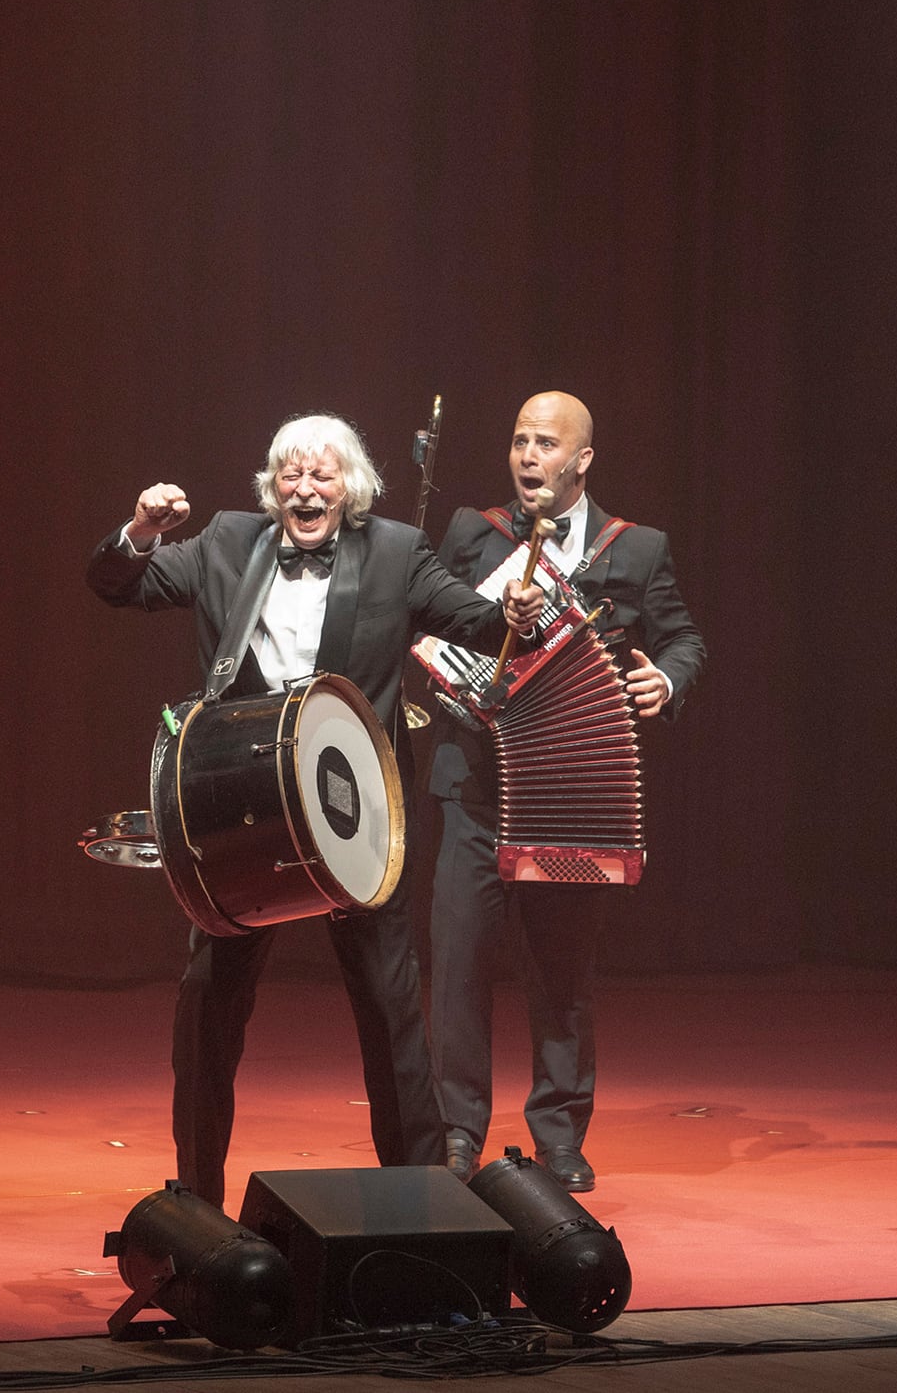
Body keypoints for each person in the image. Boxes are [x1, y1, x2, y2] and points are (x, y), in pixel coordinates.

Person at [87, 412, 542, 1207]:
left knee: (390, 1004)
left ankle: (423, 1203)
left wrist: (515, 614)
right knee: (208, 1005)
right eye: (291, 476)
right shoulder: (227, 541)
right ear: (271, 489)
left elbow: (472, 619)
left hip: (356, 809)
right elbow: (118, 585)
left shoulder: (398, 551)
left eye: (323, 476)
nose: (306, 489)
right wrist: (139, 530)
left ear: (351, 488)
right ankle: (194, 1203)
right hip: (237, 809)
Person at [424, 391, 707, 1193]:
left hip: (570, 790)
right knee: (458, 965)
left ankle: (559, 1135)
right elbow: (428, 617)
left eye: (545, 443)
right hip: (472, 781)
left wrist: (668, 678)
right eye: (518, 440)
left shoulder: (638, 548)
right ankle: (457, 1132)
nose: (527, 457)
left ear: (582, 459)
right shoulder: (474, 535)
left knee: (560, 973)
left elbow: (683, 637)